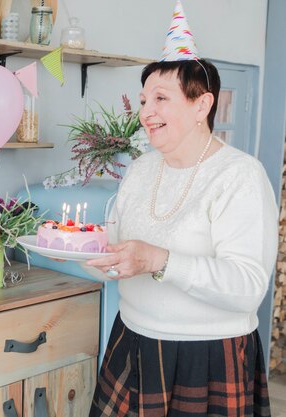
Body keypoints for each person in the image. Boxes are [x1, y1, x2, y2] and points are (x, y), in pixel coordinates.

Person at [86, 58, 278, 416]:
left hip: (206, 358)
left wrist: (159, 260)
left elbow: (248, 286)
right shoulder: (141, 168)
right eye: (143, 101)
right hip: (131, 342)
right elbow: (115, 249)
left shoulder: (240, 176)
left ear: (201, 105)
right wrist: (89, 253)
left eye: (161, 98)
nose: (146, 113)